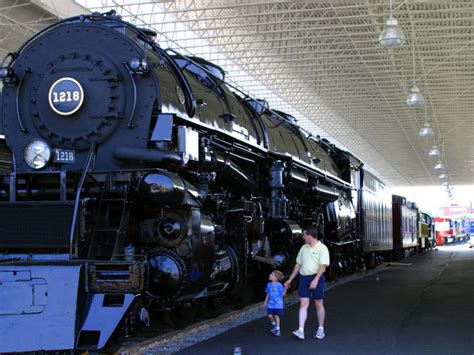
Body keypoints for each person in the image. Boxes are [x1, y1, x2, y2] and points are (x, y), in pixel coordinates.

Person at [284, 226, 330, 340]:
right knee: (304, 303)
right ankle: (300, 330)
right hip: (304, 278)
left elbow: (322, 266)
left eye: (304, 235)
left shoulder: (322, 248)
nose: (303, 237)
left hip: (316, 278)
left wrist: (315, 280)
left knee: (318, 303)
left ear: (310, 236)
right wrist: (290, 279)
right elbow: (298, 264)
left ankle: (321, 329)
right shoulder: (304, 248)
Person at [264, 270, 286, 336]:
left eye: (272, 274)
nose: (270, 275)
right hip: (270, 303)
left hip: (277, 304)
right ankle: (273, 325)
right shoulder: (268, 284)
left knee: (276, 316)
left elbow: (282, 294)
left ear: (276, 278)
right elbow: (268, 293)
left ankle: (277, 329)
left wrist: (286, 289)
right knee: (270, 315)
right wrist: (265, 302)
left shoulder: (279, 285)